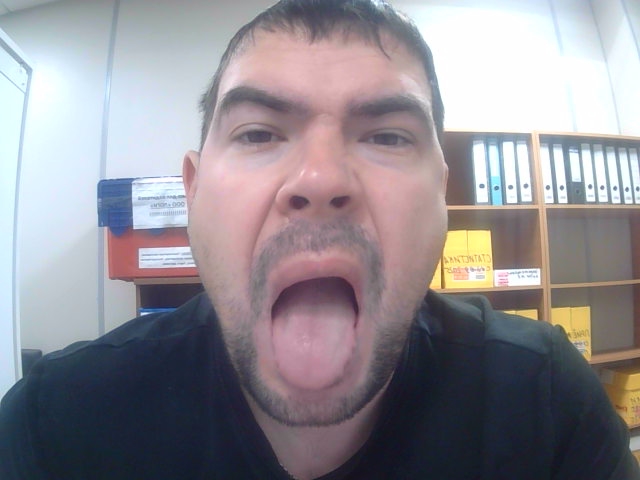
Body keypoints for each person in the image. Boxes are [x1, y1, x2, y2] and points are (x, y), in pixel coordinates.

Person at [1, 0, 638, 478]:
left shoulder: (546, 406)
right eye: (258, 133)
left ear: (441, 198)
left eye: (387, 136)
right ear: (192, 192)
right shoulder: (57, 424)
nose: (321, 178)